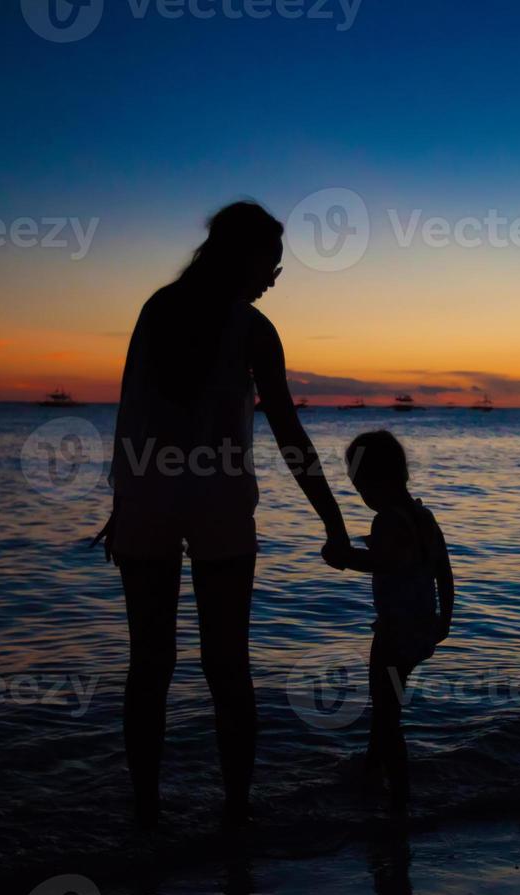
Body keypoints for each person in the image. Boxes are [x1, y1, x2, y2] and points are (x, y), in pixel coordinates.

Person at [95, 201, 350, 829]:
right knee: (227, 666)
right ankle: (237, 811)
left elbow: (133, 413)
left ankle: (146, 814)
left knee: (149, 664)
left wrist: (122, 500)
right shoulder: (252, 328)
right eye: (272, 264)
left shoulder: (158, 310)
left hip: (149, 501)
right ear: (246, 256)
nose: (274, 277)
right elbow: (289, 430)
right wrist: (333, 521)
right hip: (219, 504)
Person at [324, 430, 453, 808]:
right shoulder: (424, 516)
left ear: (378, 481)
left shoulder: (388, 522)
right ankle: (372, 770)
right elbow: (444, 572)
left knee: (385, 710)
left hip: (395, 633)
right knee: (387, 706)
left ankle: (396, 791)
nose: (361, 494)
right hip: (421, 628)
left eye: (360, 485)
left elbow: (385, 563)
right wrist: (445, 619)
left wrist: (344, 557)